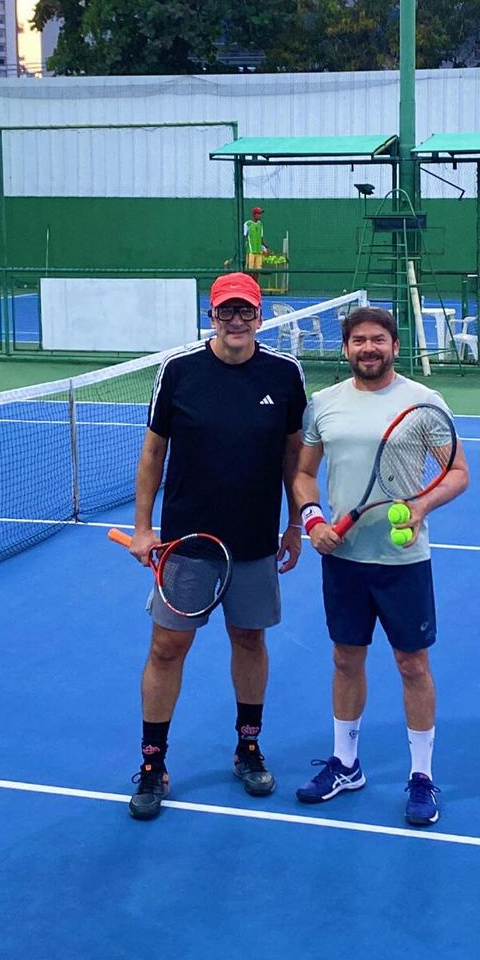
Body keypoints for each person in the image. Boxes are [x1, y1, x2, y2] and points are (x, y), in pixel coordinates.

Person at [127, 271, 307, 821]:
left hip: (254, 541)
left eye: (245, 311)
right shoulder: (179, 372)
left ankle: (248, 747)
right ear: (211, 315)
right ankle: (153, 763)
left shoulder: (285, 373)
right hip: (187, 545)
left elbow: (294, 458)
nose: (236, 321)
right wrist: (143, 528)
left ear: (260, 315)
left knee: (249, 640)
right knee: (166, 649)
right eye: (226, 311)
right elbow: (153, 454)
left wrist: (295, 524)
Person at [291, 307, 470, 828]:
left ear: (394, 345)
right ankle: (346, 764)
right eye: (358, 340)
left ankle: (421, 775)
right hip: (343, 559)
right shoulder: (323, 404)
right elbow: (303, 474)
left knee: (412, 665)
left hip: (402, 561)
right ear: (345, 348)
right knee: (346, 659)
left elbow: (458, 471)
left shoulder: (424, 402)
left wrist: (421, 506)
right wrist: (312, 519)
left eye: (378, 340)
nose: (368, 348)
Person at [244, 206, 268, 271]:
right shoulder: (247, 224)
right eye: (258, 214)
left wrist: (266, 247)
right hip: (251, 252)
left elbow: (261, 238)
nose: (260, 215)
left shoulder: (260, 224)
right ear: (254, 215)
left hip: (259, 252)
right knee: (250, 270)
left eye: (260, 214)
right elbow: (244, 237)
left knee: (258, 270)